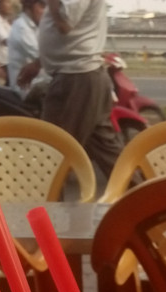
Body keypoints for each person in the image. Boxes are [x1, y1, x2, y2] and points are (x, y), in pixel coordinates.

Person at [38, 0, 123, 179]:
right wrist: (38, 62)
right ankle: (149, 194)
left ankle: (47, 198)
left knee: (52, 153)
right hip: (83, 74)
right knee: (107, 150)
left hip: (76, 77)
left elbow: (65, 23)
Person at [7, 0, 49, 102]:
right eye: (42, 6)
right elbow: (43, 55)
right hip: (27, 86)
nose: (45, 11)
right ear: (28, 8)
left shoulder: (36, 26)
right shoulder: (21, 28)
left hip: (40, 78)